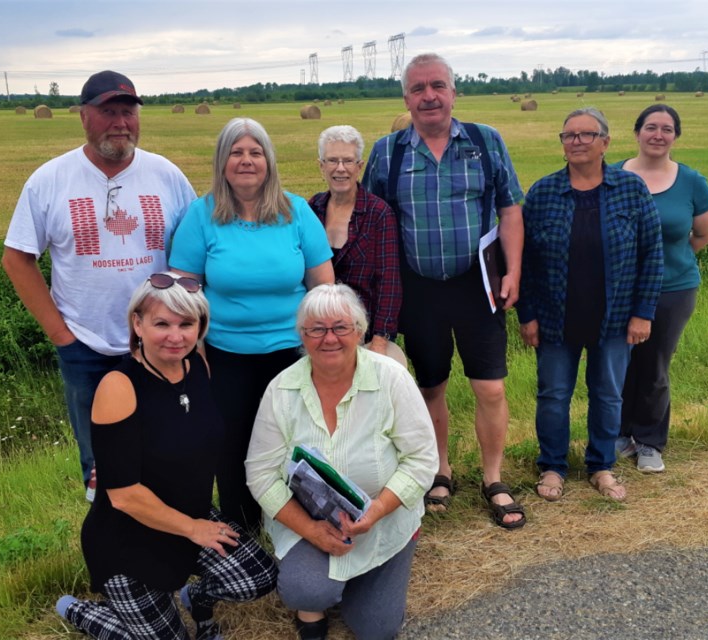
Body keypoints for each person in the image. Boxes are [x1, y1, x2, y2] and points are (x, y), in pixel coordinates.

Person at [2, 70, 197, 500]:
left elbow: (194, 254)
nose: (120, 122)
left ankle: (170, 547)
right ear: (84, 116)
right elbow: (17, 259)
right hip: (85, 347)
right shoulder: (50, 181)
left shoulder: (167, 176)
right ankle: (112, 554)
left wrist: (187, 327)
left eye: (128, 111)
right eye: (108, 111)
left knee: (166, 451)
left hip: (160, 345)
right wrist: (62, 336)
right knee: (101, 466)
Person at [55, 272, 277, 640]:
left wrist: (196, 525)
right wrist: (194, 529)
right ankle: (83, 612)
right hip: (129, 542)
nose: (176, 336)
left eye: (187, 324)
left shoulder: (198, 367)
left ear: (200, 326)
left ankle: (195, 598)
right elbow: (124, 495)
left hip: (191, 519)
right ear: (137, 324)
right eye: (162, 323)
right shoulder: (119, 387)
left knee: (259, 577)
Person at [363, 53, 526, 528]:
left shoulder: (484, 140)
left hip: (477, 285)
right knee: (429, 386)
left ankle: (494, 478)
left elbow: (509, 208)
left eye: (437, 85)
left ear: (454, 92)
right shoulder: (387, 152)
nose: (428, 96)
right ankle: (441, 471)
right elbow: (372, 219)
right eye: (418, 88)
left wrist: (512, 271)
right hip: (418, 291)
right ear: (406, 98)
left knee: (490, 387)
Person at [245, 284, 438, 640]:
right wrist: (311, 530)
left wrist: (377, 511)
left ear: (360, 331)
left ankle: (376, 567)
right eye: (316, 329)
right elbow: (260, 475)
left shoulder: (391, 378)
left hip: (383, 521)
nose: (328, 338)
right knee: (305, 590)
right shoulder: (281, 389)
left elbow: (422, 460)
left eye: (340, 327)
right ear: (302, 336)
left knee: (376, 630)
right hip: (311, 522)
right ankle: (320, 596)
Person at [169, 117, 334, 530]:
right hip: (225, 356)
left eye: (255, 152)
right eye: (236, 152)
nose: (246, 161)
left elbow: (323, 287)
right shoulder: (201, 215)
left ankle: (301, 527)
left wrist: (324, 348)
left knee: (299, 444)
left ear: (269, 161)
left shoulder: (296, 211)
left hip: (294, 354)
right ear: (222, 161)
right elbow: (182, 294)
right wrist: (197, 355)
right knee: (233, 447)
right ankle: (241, 532)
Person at [516, 107, 664, 502]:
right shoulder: (543, 192)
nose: (576, 142)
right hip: (554, 320)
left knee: (608, 395)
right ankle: (552, 465)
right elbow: (524, 260)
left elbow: (652, 255)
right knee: (553, 395)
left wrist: (642, 313)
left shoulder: (631, 190)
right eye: (569, 136)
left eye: (585, 134)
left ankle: (601, 466)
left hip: (615, 320)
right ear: (562, 144)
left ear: (605, 142)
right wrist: (527, 315)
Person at [612, 105, 708, 473]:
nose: (658, 134)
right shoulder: (612, 175)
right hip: (619, 290)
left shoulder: (691, 182)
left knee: (654, 366)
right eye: (651, 127)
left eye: (667, 129)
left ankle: (650, 442)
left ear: (676, 136)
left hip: (673, 289)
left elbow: (704, 233)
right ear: (637, 132)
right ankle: (619, 435)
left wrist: (668, 261)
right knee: (618, 363)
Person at [308, 125, 405, 365]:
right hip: (320, 331)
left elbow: (389, 282)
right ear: (321, 166)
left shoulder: (379, 213)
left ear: (359, 167)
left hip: (364, 332)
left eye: (348, 161)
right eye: (332, 160)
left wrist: (380, 342)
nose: (340, 168)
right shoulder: (312, 209)